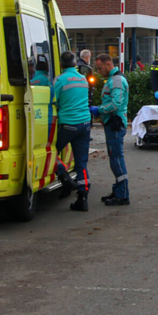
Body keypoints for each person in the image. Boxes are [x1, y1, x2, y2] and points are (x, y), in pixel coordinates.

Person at [51, 51, 92, 212]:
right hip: (85, 123)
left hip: (68, 124)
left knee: (50, 152)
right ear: (75, 63)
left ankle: (65, 177)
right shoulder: (83, 79)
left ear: (61, 64)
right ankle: (83, 199)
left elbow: (54, 100)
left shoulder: (60, 80)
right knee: (82, 163)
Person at [91, 53, 130, 206]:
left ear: (109, 64)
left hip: (115, 124)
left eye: (100, 68)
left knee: (116, 158)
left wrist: (98, 110)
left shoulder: (117, 81)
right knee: (115, 158)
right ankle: (119, 190)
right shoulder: (114, 80)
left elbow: (115, 104)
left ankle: (122, 194)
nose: (99, 71)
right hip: (113, 123)